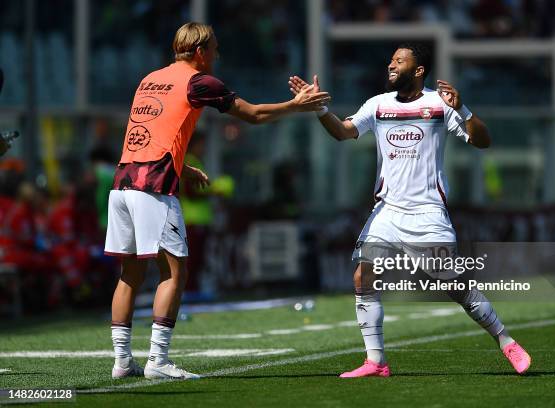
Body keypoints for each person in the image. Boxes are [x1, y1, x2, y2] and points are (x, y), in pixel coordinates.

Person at [288, 43, 531, 377]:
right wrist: (320, 110)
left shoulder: (438, 104)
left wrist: (465, 110)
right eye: (390, 60)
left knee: (454, 285)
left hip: (428, 213)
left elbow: (482, 141)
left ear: (418, 70)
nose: (391, 65)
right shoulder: (378, 105)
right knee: (363, 275)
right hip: (386, 212)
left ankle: (505, 340)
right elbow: (343, 132)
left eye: (399, 61)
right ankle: (376, 361)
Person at [104, 22, 330, 380]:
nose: (217, 56)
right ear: (200, 51)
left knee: (129, 274)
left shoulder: (149, 78)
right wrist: (296, 105)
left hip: (123, 183)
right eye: (214, 49)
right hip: (154, 188)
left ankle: (121, 362)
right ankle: (158, 362)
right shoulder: (199, 81)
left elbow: (152, 132)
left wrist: (183, 167)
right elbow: (252, 115)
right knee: (174, 274)